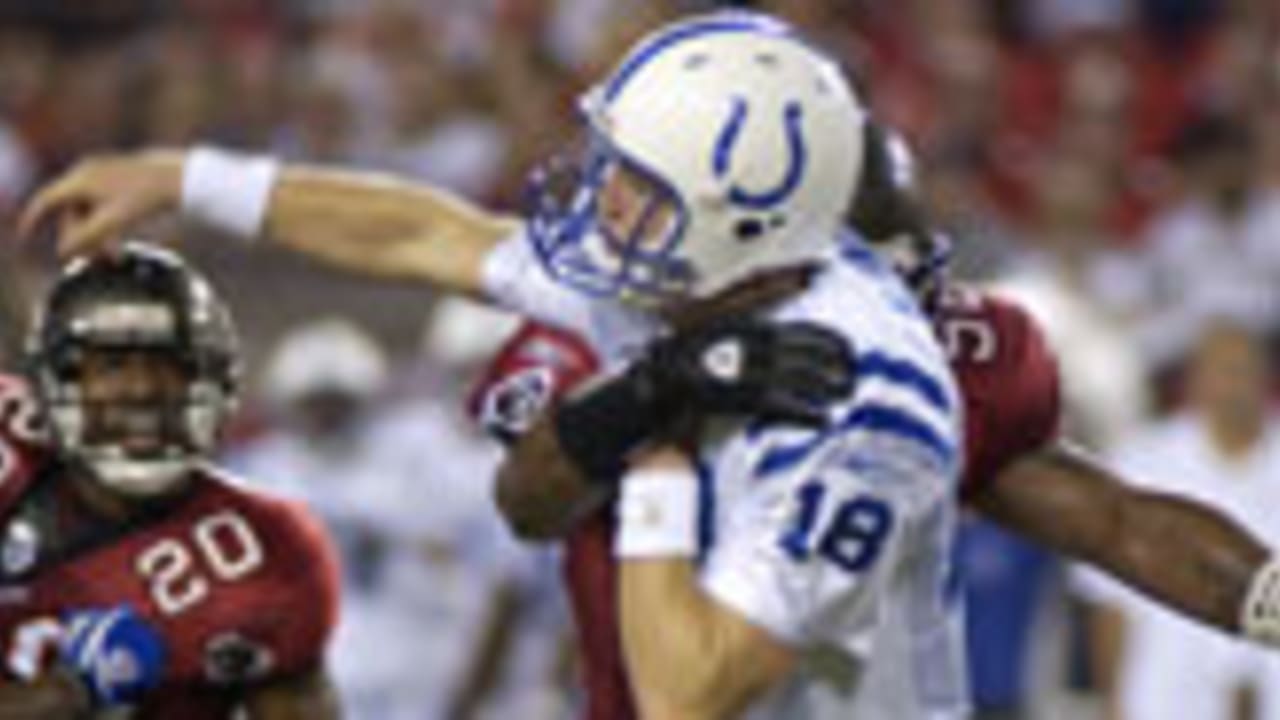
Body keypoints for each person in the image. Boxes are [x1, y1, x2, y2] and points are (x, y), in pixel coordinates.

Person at [21, 11, 968, 718]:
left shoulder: (868, 410)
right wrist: (187, 180)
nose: (601, 204)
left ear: (744, 221)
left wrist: (657, 447)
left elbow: (690, 692)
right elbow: (428, 235)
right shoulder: (703, 275)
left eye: (639, 190)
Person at [468, 122, 1280, 719]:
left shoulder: (924, 380)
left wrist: (1270, 600)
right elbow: (528, 503)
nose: (884, 313)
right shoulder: (609, 326)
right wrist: (650, 396)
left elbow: (1113, 522)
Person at [0, 244, 340, 719]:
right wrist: (52, 698)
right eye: (114, 364)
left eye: (172, 365)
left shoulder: (260, 549)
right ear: (58, 382)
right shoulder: (11, 455)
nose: (143, 389)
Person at [1084, 320, 1280, 720]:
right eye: (1220, 371)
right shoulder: (1142, 459)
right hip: (1165, 690)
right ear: (1195, 381)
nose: (1231, 386)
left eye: (1243, 371)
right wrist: (1111, 701)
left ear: (1266, 379)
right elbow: (1108, 598)